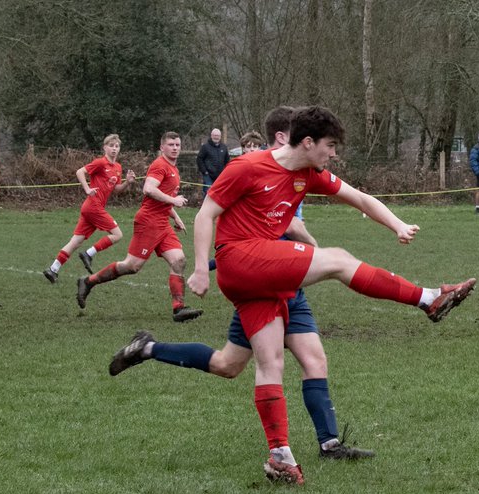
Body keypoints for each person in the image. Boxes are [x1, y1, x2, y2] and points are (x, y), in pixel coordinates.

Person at [113, 106, 474, 485]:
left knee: (241, 363)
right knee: (338, 260)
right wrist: (202, 268)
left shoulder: (308, 174)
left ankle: (276, 452)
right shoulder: (247, 167)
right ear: (307, 142)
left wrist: (397, 224)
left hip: (265, 276)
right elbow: (206, 214)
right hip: (240, 260)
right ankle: (428, 298)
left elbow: (361, 198)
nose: (333, 154)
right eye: (330, 146)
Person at [106, 107, 375, 471]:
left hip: (289, 281)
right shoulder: (256, 170)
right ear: (284, 136)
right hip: (259, 282)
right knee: (243, 364)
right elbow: (215, 217)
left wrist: (312, 253)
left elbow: (300, 223)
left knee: (299, 360)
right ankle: (279, 453)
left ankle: (328, 443)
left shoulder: (301, 170)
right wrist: (205, 267)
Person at [76, 131, 203, 323]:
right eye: (171, 145)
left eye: (177, 145)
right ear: (162, 147)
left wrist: (175, 216)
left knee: (179, 260)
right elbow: (149, 189)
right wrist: (174, 201)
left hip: (162, 222)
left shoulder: (174, 169)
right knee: (132, 266)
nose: (175, 148)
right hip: (148, 222)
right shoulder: (160, 165)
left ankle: (179, 309)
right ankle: (88, 282)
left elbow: (163, 197)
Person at [43, 134, 136, 283]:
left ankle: (53, 269)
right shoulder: (100, 163)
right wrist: (87, 188)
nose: (114, 149)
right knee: (118, 235)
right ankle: (88, 254)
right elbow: (80, 172)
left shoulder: (118, 167)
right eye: (111, 145)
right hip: (93, 206)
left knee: (75, 241)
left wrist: (127, 182)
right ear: (104, 147)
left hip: (91, 208)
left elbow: (116, 189)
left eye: (116, 146)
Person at [196, 128, 229, 196]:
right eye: (214, 135)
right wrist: (204, 171)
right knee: (208, 193)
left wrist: (225, 171)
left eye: (218, 135)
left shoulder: (224, 147)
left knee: (220, 194)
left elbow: (227, 160)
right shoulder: (205, 147)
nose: (216, 137)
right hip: (208, 175)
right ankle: (206, 206)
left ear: (220, 136)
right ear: (211, 136)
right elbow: (199, 159)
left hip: (220, 175)